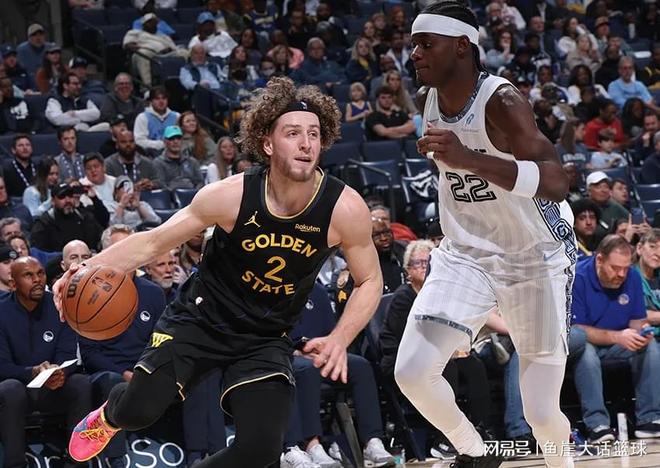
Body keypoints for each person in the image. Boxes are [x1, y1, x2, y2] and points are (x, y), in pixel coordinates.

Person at [56, 76, 383, 467]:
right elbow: (153, 242)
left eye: (313, 134)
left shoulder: (344, 208)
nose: (306, 143)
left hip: (265, 335)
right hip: (200, 319)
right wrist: (85, 268)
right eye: (293, 133)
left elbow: (370, 279)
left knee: (261, 449)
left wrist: (340, 338)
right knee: (137, 412)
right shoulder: (230, 195)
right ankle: (109, 416)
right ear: (267, 143)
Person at [396, 3, 577, 467]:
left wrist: (468, 158)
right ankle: (476, 454)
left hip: (534, 255)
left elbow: (557, 181)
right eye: (413, 44)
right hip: (467, 251)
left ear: (462, 46)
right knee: (412, 371)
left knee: (540, 412)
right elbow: (456, 172)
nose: (414, 53)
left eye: (426, 44)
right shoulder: (428, 99)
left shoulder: (502, 100)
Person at [0, 257, 92, 468]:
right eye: (28, 275)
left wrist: (60, 373)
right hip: (19, 389)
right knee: (9, 388)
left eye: (40, 273)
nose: (37, 280)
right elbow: (2, 366)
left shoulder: (59, 306)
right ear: (13, 283)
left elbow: (68, 355)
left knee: (80, 383)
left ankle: (77, 462)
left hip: (52, 387)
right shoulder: (1, 312)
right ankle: (15, 464)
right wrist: (32, 372)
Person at [571, 234, 660, 442]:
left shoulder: (632, 277)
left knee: (650, 346)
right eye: (615, 268)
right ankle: (597, 425)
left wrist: (641, 333)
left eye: (625, 268)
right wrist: (617, 336)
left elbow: (637, 322)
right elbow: (577, 329)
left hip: (618, 343)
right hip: (588, 343)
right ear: (600, 260)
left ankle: (649, 419)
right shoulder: (578, 277)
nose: (621, 274)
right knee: (586, 352)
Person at [30, 182, 105, 252]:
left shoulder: (84, 217)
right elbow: (38, 253)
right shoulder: (44, 223)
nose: (67, 200)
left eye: (70, 195)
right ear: (53, 201)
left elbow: (102, 232)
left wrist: (95, 199)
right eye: (62, 197)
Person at [153, 126, 204, 190]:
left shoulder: (192, 162)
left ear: (182, 140)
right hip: (170, 195)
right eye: (171, 139)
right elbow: (161, 184)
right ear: (165, 141)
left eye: (178, 138)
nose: (175, 142)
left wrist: (194, 192)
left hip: (192, 194)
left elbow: (200, 182)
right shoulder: (158, 163)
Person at [2, 134, 36, 199]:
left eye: (27, 145)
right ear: (13, 150)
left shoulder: (39, 168)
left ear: (32, 149)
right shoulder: (6, 170)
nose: (25, 148)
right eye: (20, 145)